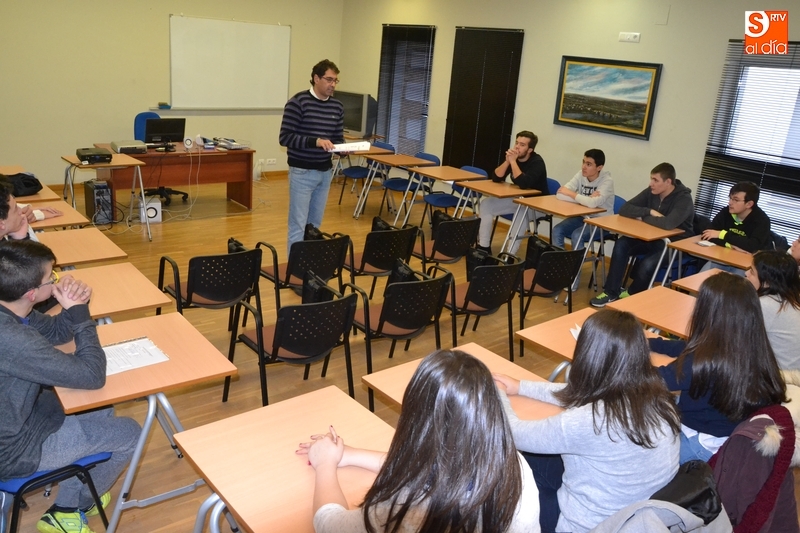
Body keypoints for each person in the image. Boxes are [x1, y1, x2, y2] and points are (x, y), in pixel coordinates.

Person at [297, 349, 540, 533]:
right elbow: (428, 473)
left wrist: (325, 464)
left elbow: (329, 523)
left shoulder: (406, 508)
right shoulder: (516, 466)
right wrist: (351, 455)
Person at [494, 309, 680, 533]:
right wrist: (520, 387)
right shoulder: (660, 398)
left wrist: (498, 393)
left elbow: (515, 433)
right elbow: (578, 393)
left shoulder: (589, 422)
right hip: (639, 517)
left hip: (586, 525)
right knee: (537, 456)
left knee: (507, 467)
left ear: (587, 355)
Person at [0, 240, 140, 533]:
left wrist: (74, 305)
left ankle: (72, 496)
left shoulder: (12, 310)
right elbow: (92, 374)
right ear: (32, 293)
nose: (56, 280)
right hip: (14, 450)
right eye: (51, 277)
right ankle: (71, 508)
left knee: (100, 407)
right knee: (130, 433)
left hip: (25, 415)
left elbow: (54, 331)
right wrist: (81, 316)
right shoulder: (14, 340)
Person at [650, 272, 787, 464]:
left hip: (697, 444)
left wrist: (624, 354)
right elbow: (693, 348)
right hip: (725, 434)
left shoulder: (702, 362)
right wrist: (653, 343)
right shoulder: (752, 347)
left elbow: (653, 379)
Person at [590, 162, 693, 307]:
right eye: (651, 179)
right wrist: (649, 212)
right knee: (621, 244)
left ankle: (632, 295)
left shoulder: (684, 199)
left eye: (655, 180)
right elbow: (625, 209)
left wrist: (643, 217)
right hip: (651, 238)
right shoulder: (652, 191)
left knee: (647, 264)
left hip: (674, 244)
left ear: (668, 182)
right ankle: (611, 292)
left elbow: (668, 224)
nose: (651, 183)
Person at [279, 59, 344, 251]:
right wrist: (315, 141)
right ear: (316, 78)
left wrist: (342, 150)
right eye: (329, 79)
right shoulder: (298, 102)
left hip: (325, 172)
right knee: (298, 225)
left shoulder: (337, 107)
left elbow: (337, 139)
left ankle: (309, 263)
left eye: (335, 80)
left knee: (314, 226)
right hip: (302, 172)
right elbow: (285, 137)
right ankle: (295, 266)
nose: (333, 84)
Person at [476, 131, 549, 255]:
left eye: (522, 145)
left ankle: (510, 254)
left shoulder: (537, 162)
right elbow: (496, 177)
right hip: (519, 199)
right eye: (516, 143)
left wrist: (513, 162)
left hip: (537, 205)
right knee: (486, 204)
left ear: (530, 150)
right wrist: (507, 162)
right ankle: (484, 247)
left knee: (521, 212)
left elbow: (524, 183)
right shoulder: (514, 159)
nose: (517, 147)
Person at [553, 149, 614, 291]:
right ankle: (562, 270)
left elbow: (592, 204)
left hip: (602, 222)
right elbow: (560, 194)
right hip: (583, 217)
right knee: (557, 230)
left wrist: (576, 196)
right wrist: (585, 199)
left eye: (589, 164)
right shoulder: (580, 174)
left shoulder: (607, 181)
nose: (584, 167)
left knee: (577, 235)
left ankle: (573, 279)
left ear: (599, 167)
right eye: (583, 162)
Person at [699, 181, 771, 274]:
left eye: (736, 200)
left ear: (749, 204)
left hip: (745, 265)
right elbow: (707, 233)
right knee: (702, 278)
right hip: (721, 258)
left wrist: (722, 234)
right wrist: (731, 245)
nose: (730, 202)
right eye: (730, 198)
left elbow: (753, 247)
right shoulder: (726, 212)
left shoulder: (762, 220)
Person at [745, 250, 800, 370]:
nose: (746, 273)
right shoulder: (789, 300)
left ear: (767, 283)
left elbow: (738, 339)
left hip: (780, 376)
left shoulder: (765, 305)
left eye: (752, 272)